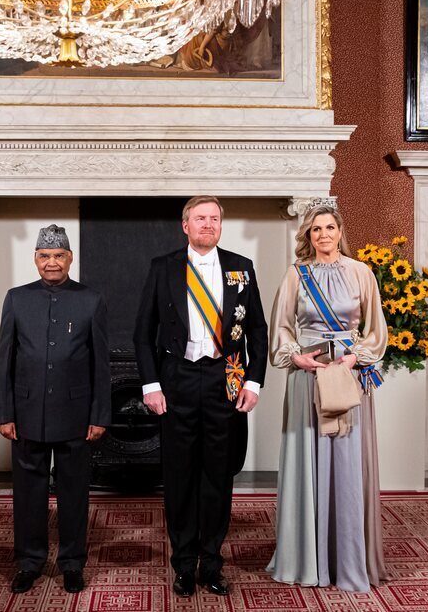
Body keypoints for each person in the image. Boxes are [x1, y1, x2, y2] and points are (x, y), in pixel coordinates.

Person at [134, 195, 268, 597]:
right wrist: (151, 384)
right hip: (176, 379)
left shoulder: (241, 268)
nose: (207, 224)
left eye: (214, 218)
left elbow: (257, 331)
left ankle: (210, 563)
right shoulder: (163, 268)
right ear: (185, 225)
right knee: (179, 476)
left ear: (220, 226)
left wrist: (253, 381)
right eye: (199, 218)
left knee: (217, 475)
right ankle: (182, 564)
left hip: (224, 380)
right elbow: (143, 333)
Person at [266, 205, 388, 591]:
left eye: (330, 227)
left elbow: (377, 330)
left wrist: (357, 356)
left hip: (349, 377)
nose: (323, 234)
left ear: (340, 231)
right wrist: (296, 357)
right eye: (315, 229)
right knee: (308, 461)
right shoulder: (295, 275)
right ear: (308, 235)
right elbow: (281, 328)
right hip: (308, 379)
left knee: (349, 465)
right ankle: (306, 558)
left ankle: (348, 561)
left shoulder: (361, 272)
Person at [0, 225, 111, 595]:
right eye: (45, 256)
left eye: (59, 256)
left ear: (70, 258)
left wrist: (99, 415)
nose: (52, 263)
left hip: (76, 413)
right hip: (26, 413)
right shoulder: (16, 298)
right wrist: (4, 412)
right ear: (35, 259)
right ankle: (29, 562)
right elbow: (5, 360)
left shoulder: (91, 299)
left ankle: (72, 562)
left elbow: (101, 364)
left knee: (74, 492)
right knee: (27, 493)